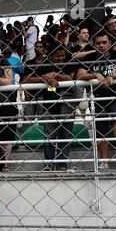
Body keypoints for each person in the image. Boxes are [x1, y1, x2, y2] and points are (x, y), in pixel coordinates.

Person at [77, 31, 116, 170]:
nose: (101, 45)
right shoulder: (90, 57)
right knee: (100, 129)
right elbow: (79, 75)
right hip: (97, 98)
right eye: (98, 43)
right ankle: (104, 163)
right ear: (94, 45)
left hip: (115, 94)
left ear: (110, 43)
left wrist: (113, 76)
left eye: (104, 43)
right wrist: (94, 75)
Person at [35, 43, 78, 171]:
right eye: (57, 56)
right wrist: (44, 78)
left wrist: (55, 74)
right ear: (50, 56)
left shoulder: (69, 63)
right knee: (49, 135)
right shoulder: (44, 65)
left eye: (62, 55)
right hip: (50, 104)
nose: (61, 58)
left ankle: (62, 162)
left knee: (66, 135)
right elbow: (29, 79)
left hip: (68, 103)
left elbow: (71, 79)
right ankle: (48, 163)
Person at [23, 41, 47, 123]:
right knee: (28, 120)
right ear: (34, 48)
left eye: (40, 47)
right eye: (36, 47)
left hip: (44, 94)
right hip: (31, 93)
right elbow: (25, 80)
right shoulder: (29, 63)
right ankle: (27, 135)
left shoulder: (48, 62)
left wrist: (31, 78)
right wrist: (26, 94)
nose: (38, 48)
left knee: (44, 121)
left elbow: (51, 79)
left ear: (43, 48)